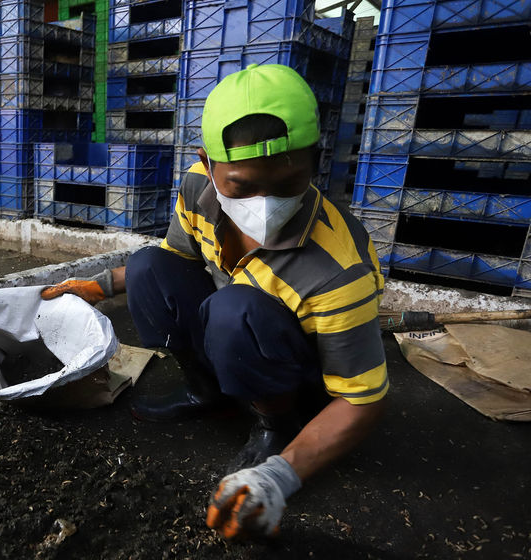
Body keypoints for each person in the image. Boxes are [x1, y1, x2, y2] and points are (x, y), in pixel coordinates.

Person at [41, 64, 387, 540]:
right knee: (147, 266)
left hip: (301, 373)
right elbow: (174, 263)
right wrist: (100, 285)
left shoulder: (337, 268)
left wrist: (282, 475)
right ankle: (206, 390)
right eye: (242, 187)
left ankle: (276, 425)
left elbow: (359, 399)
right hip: (239, 332)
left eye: (286, 184)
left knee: (235, 310)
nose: (264, 204)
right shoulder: (197, 189)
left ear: (314, 161)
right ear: (208, 162)